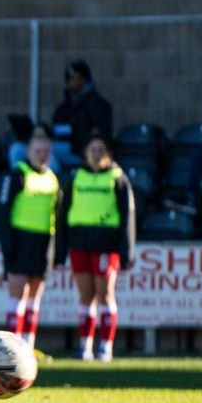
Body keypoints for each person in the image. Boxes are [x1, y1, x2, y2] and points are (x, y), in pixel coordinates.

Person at [56, 133, 135, 362]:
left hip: (105, 244)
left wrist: (126, 250)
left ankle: (106, 347)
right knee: (85, 295)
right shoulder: (77, 177)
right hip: (80, 242)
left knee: (105, 294)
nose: (97, 154)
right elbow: (63, 212)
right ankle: (85, 347)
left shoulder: (117, 178)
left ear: (108, 153)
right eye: (93, 149)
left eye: (101, 149)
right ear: (86, 153)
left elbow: (127, 215)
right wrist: (61, 248)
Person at [0, 127, 62, 352]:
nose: (41, 154)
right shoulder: (17, 174)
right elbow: (3, 210)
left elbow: (57, 215)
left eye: (45, 151)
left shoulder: (53, 179)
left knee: (35, 297)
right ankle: (11, 347)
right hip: (20, 239)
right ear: (28, 151)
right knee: (18, 294)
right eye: (38, 150)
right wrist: (8, 245)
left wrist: (55, 250)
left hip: (43, 241)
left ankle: (27, 346)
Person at [10, 61, 112, 171]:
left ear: (83, 79)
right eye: (68, 78)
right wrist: (43, 131)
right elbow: (56, 127)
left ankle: (51, 183)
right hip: (59, 144)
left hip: (79, 151)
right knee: (17, 149)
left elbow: (99, 134)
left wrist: (77, 135)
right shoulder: (65, 106)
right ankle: (20, 180)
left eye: (73, 78)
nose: (69, 82)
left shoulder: (98, 104)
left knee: (47, 151)